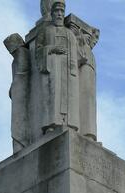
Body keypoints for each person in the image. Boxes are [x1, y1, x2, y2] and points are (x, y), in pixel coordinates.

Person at [36, 0, 81, 134]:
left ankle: (69, 123)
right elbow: (38, 51)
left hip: (68, 71)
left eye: (62, 12)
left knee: (69, 98)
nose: (60, 14)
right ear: (53, 14)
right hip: (52, 69)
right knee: (52, 96)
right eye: (57, 11)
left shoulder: (70, 34)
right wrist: (51, 49)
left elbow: (78, 55)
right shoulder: (46, 31)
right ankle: (50, 124)